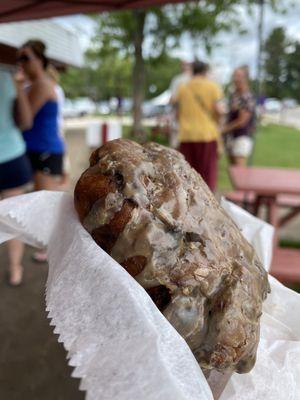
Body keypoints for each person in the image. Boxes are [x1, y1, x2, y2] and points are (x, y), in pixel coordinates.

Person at [17, 39, 66, 262]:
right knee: (40, 198)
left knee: (47, 201)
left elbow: (24, 120)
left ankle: (52, 247)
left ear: (40, 60)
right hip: (36, 148)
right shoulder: (33, 85)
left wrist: (16, 87)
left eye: (26, 57)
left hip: (46, 149)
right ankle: (46, 243)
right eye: (19, 58)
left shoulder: (42, 85)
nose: (21, 63)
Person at [0, 67, 32, 285]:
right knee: (12, 219)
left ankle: (15, 268)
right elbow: (26, 121)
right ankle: (15, 269)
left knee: (12, 219)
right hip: (11, 154)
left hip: (11, 157)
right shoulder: (7, 74)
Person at [171, 61, 224, 192]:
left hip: (186, 135)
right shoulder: (213, 86)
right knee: (208, 175)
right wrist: (217, 121)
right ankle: (208, 205)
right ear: (205, 71)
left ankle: (190, 203)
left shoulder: (183, 87)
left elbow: (176, 111)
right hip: (207, 134)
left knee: (188, 174)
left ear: (192, 70)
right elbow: (219, 110)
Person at [222, 66, 256, 166]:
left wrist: (223, 129)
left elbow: (242, 121)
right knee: (233, 171)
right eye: (234, 75)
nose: (235, 78)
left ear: (245, 78)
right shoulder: (234, 95)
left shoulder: (247, 96)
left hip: (241, 137)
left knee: (239, 172)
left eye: (239, 76)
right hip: (231, 137)